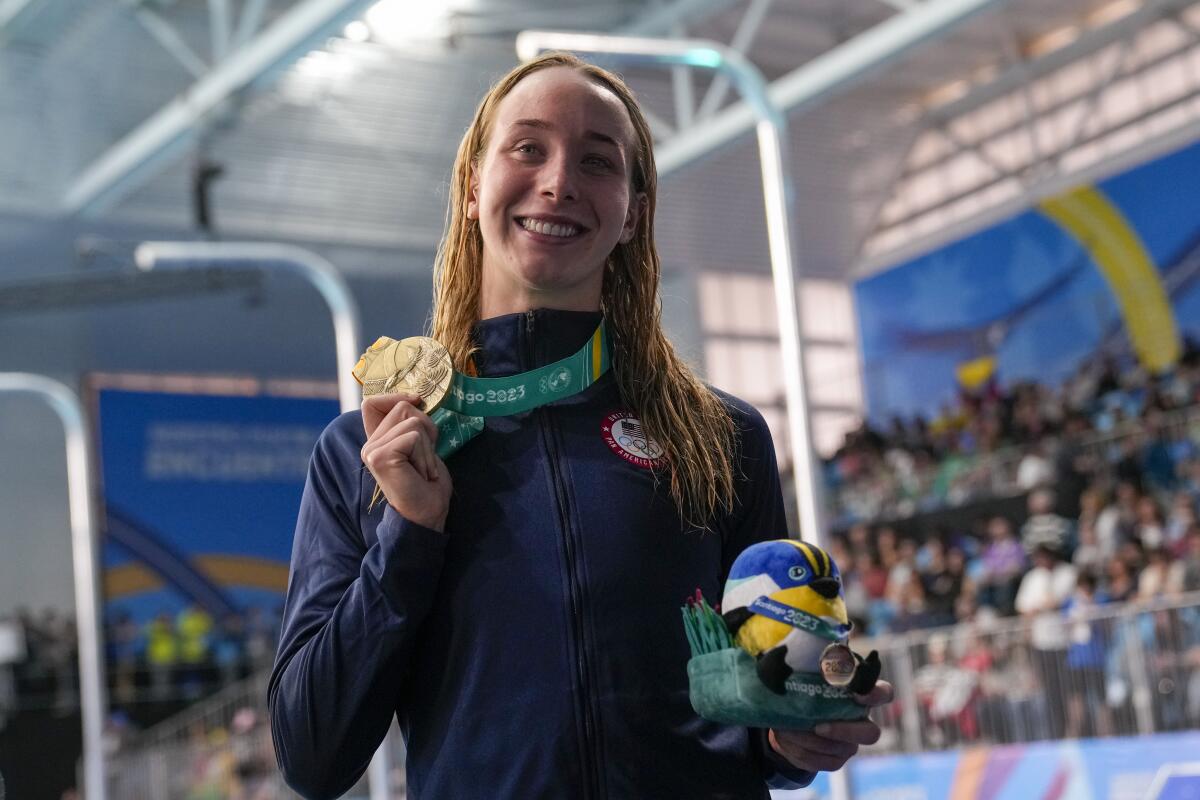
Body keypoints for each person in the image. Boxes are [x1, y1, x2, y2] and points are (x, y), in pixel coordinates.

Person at [267, 52, 891, 799]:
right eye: (528, 148)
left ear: (632, 213)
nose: (559, 180)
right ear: (473, 186)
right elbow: (312, 755)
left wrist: (794, 735)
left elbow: (757, 720)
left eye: (597, 161)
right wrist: (409, 531)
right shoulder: (368, 454)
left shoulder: (719, 438)